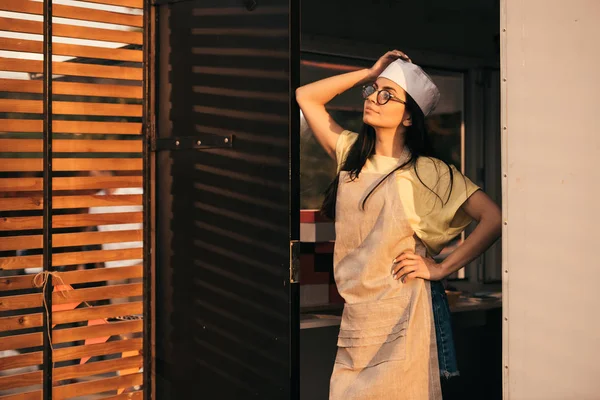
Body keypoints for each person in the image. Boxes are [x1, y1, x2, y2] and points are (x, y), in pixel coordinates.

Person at [296, 50, 502, 399]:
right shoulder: (350, 155)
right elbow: (306, 96)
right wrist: (369, 71)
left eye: (388, 94)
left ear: (409, 117)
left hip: (401, 314)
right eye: (373, 90)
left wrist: (440, 268)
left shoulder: (429, 172)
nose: (374, 99)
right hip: (356, 316)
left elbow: (492, 218)